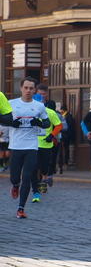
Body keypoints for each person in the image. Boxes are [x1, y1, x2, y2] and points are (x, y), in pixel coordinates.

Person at [7, 77, 50, 218]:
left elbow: (47, 124)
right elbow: (2, 119)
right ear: (21, 88)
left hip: (31, 146)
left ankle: (21, 209)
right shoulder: (11, 104)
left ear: (34, 90)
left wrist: (38, 122)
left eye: (31, 88)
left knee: (27, 177)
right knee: (15, 178)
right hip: (15, 146)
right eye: (26, 88)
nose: (28, 90)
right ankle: (15, 185)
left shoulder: (39, 106)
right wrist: (12, 123)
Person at [32, 100, 63, 202]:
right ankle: (36, 189)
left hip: (46, 145)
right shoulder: (31, 111)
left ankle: (44, 181)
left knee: (44, 168)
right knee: (35, 167)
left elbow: (59, 125)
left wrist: (51, 135)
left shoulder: (50, 112)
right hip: (33, 144)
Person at [57, 104, 76, 173]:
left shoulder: (67, 116)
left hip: (65, 136)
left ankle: (65, 163)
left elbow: (68, 127)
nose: (60, 111)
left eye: (61, 110)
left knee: (64, 149)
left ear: (63, 110)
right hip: (64, 135)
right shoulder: (65, 116)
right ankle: (63, 163)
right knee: (64, 149)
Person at [0, 91, 15, 171]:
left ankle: (3, 165)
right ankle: (4, 165)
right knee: (5, 151)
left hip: (4, 138)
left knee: (3, 152)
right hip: (5, 138)